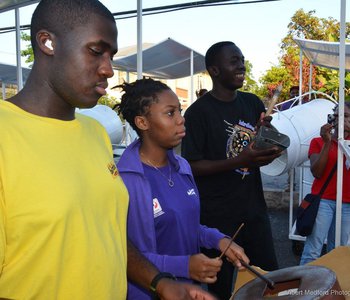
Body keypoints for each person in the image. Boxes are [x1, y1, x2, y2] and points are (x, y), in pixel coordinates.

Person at [0, 1, 217, 299]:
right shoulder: (5, 134)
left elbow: (110, 234)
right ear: (47, 42)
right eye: (95, 51)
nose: (108, 70)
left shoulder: (95, 135)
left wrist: (161, 282)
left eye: (111, 55)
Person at [115, 78, 249, 299]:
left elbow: (185, 227)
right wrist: (185, 266)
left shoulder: (182, 167)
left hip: (189, 290)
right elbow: (128, 256)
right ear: (142, 122)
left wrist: (219, 239)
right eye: (170, 113)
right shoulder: (127, 180)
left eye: (179, 110)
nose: (181, 120)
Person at [181, 41, 282, 299]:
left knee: (270, 280)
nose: (242, 65)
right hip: (218, 219)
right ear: (214, 70)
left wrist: (269, 149)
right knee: (222, 288)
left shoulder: (251, 103)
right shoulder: (198, 113)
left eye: (242, 59)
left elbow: (261, 154)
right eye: (234, 61)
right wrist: (240, 160)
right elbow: (192, 166)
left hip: (254, 211)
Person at [300, 103, 350, 265]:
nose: (340, 120)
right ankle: (304, 289)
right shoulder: (318, 142)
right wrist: (327, 142)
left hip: (347, 204)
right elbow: (317, 172)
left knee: (338, 251)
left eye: (346, 116)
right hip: (323, 202)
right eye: (337, 116)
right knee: (313, 250)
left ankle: (333, 288)